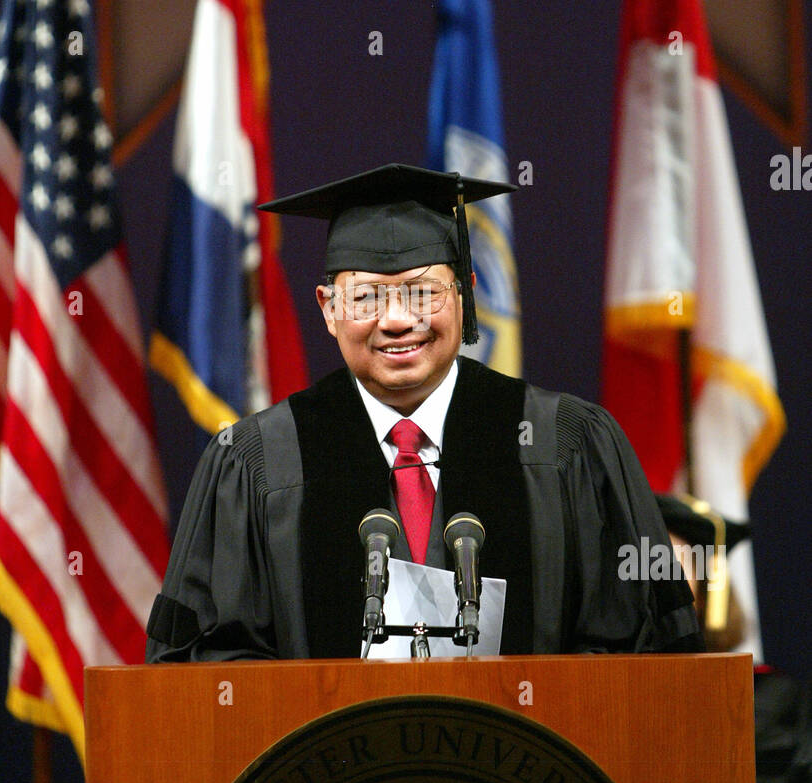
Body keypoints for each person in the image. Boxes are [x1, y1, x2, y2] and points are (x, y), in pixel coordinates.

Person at [145, 164, 703, 662]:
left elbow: (642, 655)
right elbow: (208, 669)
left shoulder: (566, 445)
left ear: (465, 294)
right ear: (328, 309)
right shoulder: (257, 462)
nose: (395, 320)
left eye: (421, 294)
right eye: (365, 297)